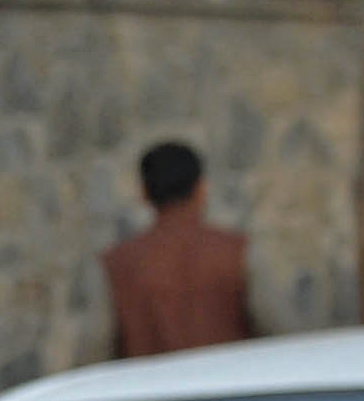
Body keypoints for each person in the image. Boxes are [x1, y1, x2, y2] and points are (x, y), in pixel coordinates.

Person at [103, 138, 258, 358]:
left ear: (144, 193)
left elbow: (98, 347)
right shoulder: (236, 252)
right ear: (201, 189)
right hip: (229, 385)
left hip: (152, 389)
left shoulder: (117, 264)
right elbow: (273, 328)